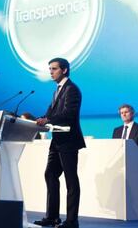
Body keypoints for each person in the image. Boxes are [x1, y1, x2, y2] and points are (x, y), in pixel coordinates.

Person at [35, 58, 85, 228]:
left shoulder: (71, 89)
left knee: (71, 182)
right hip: (57, 141)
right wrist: (37, 120)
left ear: (64, 70)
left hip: (69, 141)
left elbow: (69, 114)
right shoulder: (57, 90)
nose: (51, 71)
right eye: (49, 68)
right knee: (50, 175)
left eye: (54, 69)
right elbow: (51, 112)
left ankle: (72, 221)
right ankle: (52, 217)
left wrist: (47, 119)